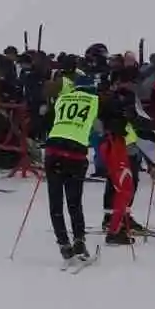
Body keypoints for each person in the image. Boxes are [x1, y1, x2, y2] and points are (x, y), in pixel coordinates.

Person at [44, 67, 99, 264]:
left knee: (55, 202)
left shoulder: (63, 99)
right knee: (74, 202)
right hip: (75, 154)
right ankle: (79, 240)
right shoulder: (94, 100)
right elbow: (99, 126)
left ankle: (63, 244)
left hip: (53, 151)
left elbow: (52, 118)